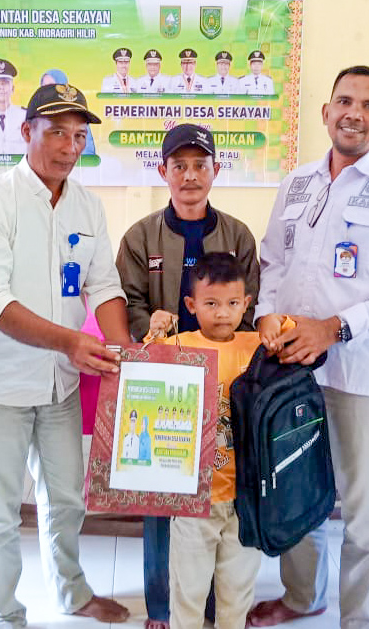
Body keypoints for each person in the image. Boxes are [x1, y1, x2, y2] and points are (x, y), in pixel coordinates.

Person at [250, 65, 369, 629]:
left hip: (362, 374)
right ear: (326, 111)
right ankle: (302, 596)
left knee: (362, 507)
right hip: (292, 371)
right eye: (345, 101)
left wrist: (333, 328)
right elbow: (272, 262)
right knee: (296, 488)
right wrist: (265, 315)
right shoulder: (297, 183)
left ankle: (360, 619)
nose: (355, 113)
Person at [0, 82, 131, 628]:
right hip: (1, 385)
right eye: (56, 132)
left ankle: (72, 593)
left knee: (66, 499)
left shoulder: (86, 205)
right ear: (26, 131)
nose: (68, 146)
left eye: (78, 136)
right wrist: (70, 342)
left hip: (60, 383)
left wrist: (127, 356)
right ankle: (2, 614)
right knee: (0, 511)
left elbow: (103, 285)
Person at [116, 122, 259, 629]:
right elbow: (129, 299)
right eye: (180, 166)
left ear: (216, 170)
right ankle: (164, 607)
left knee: (225, 495)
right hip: (167, 383)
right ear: (163, 171)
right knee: (164, 494)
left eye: (200, 165)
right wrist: (148, 326)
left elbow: (250, 306)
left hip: (225, 383)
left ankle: (221, 606)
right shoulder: (141, 236)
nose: (190, 175)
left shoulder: (238, 235)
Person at [143, 253, 270, 629]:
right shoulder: (179, 344)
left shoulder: (257, 346)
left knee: (237, 594)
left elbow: (290, 334)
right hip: (193, 500)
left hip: (246, 500)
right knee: (188, 593)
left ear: (246, 304)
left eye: (232, 303)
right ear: (191, 305)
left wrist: (277, 321)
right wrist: (155, 331)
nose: (222, 313)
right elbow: (143, 374)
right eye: (211, 303)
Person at [40, 69, 96, 156]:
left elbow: (88, 153)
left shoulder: (77, 117)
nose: (47, 91)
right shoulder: (35, 116)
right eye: (44, 87)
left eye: (51, 86)